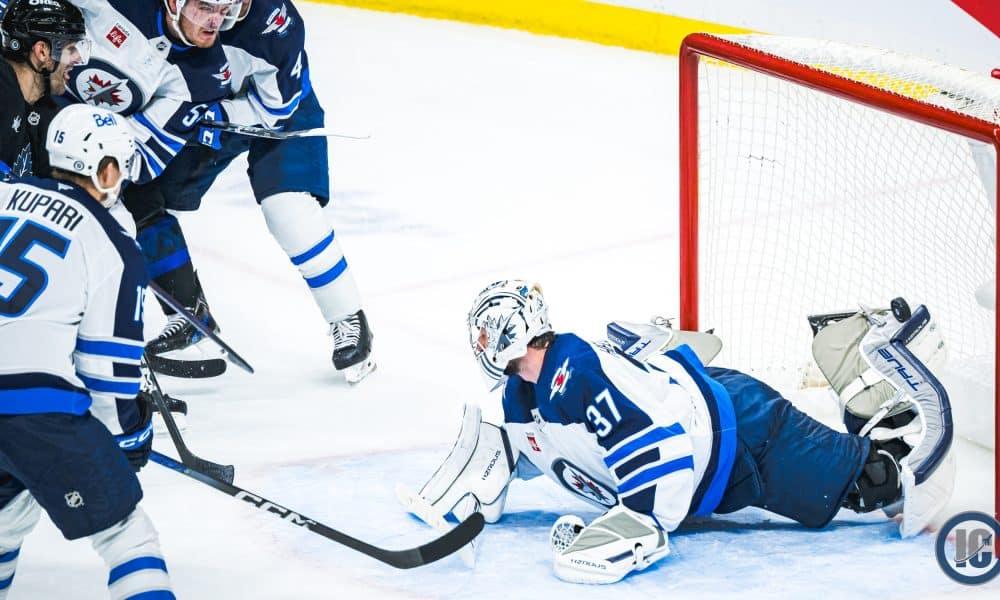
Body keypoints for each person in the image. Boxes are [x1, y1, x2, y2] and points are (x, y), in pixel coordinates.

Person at [404, 280, 956, 584]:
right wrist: (487, 470)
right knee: (847, 480)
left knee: (871, 483)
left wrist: (641, 520)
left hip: (745, 432)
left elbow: (656, 444)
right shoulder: (524, 393)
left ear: (515, 330)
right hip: (711, 424)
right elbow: (543, 447)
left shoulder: (574, 372)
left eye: (489, 333)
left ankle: (878, 376)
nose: (483, 344)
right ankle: (862, 404)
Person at [122, 0, 376, 383]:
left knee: (288, 210)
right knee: (138, 195)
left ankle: (347, 316)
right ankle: (188, 315)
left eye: (229, 6)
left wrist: (216, 116)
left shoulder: (274, 22)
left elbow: (276, 109)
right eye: (206, 6)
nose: (218, 17)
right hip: (192, 106)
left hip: (274, 109)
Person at [0, 104, 172, 598]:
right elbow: (106, 374)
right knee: (127, 535)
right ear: (106, 170)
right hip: (33, 411)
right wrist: (128, 436)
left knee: (5, 523)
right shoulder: (112, 243)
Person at [62, 0, 236, 183]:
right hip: (43, 102)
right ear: (174, 4)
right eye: (205, 8)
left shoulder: (207, 77)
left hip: (86, 158)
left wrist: (79, 154)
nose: (216, 22)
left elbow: (141, 157)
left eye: (224, 10)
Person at [0, 0, 89, 178]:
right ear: (42, 51)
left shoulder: (48, 115)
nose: (78, 59)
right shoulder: (3, 88)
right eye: (71, 49)